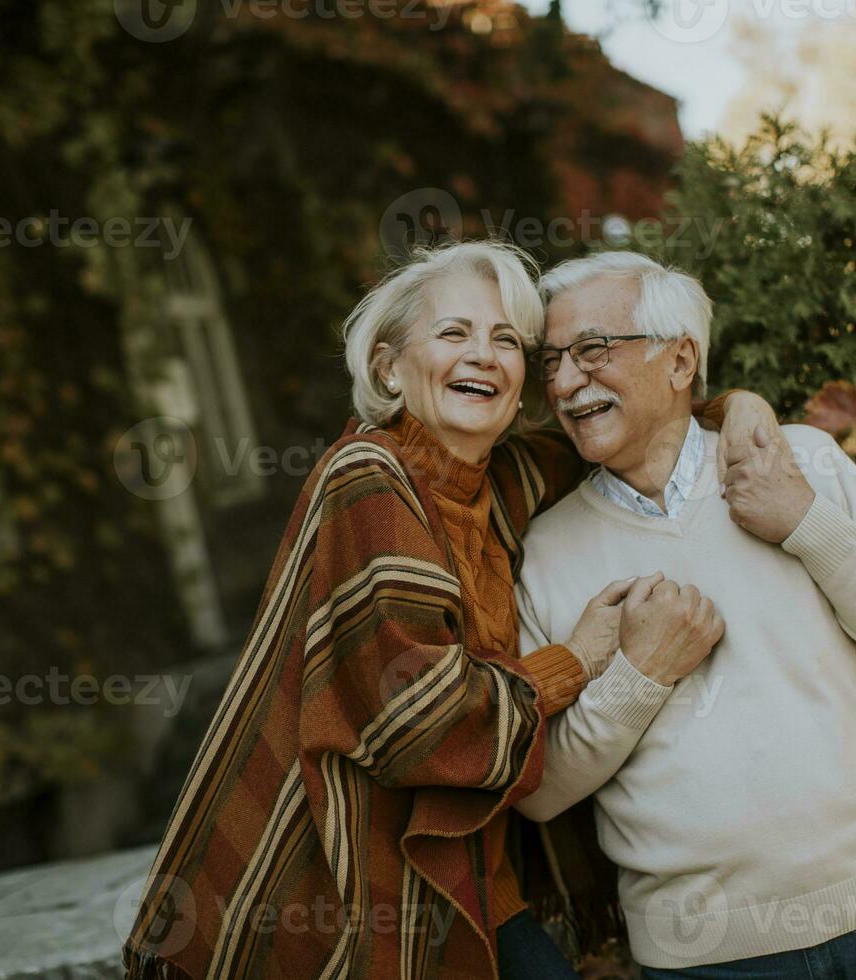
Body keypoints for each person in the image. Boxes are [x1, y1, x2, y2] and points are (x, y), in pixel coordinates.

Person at [122, 241, 776, 980]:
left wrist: (738, 408)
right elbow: (423, 726)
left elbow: (649, 421)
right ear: (389, 368)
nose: (485, 356)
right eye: (454, 333)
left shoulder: (504, 479)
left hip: (464, 876)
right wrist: (582, 661)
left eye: (505, 340)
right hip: (341, 881)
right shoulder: (367, 476)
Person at [512, 252, 856, 980]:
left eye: (593, 350)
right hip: (704, 960)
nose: (564, 382)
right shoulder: (546, 552)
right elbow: (537, 791)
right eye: (553, 361)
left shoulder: (800, 462)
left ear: (680, 357)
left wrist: (807, 523)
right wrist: (640, 676)